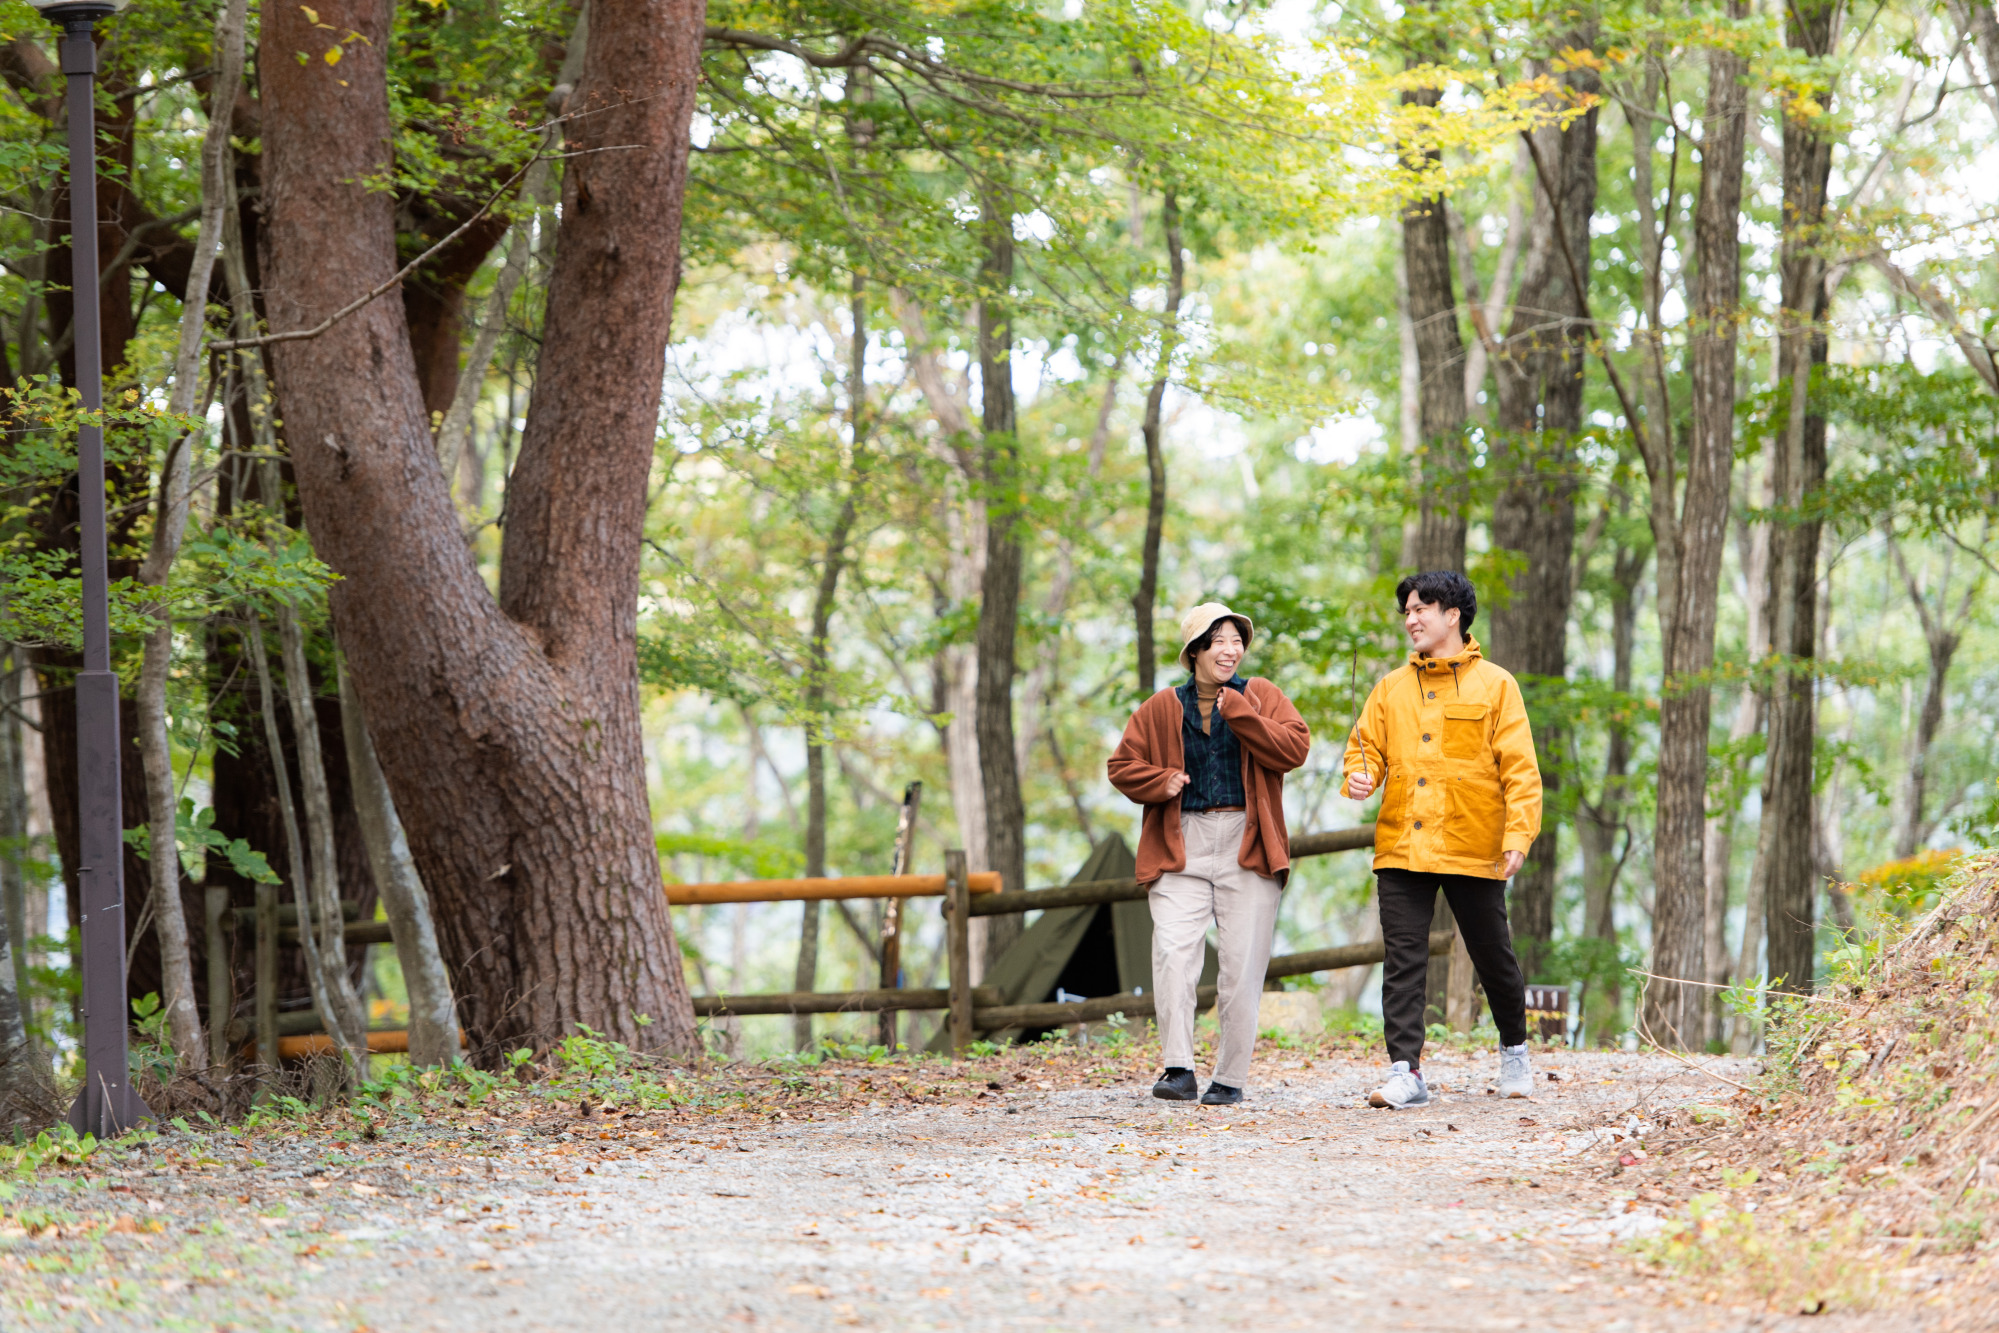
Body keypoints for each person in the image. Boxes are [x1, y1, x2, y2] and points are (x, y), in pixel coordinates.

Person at [1342, 571, 1542, 1109]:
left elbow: (1520, 770)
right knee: (1403, 960)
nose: (1410, 620)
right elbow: (1364, 752)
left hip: (1472, 844)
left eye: (1420, 609)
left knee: (1491, 953)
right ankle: (1406, 1072)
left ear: (1452, 614)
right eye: (1406, 611)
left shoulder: (1497, 684)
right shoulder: (1389, 687)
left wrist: (1518, 834)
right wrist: (1359, 776)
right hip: (1403, 844)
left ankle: (1515, 1051)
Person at [1109, 603, 1311, 1105]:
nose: (1230, 649)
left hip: (1248, 840)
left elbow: (1295, 748)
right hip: (1181, 845)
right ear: (1195, 651)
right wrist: (1161, 781)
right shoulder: (1161, 707)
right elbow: (1121, 766)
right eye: (1218, 640)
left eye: (1236, 640)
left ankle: (1229, 1077)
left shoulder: (1260, 695)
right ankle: (1178, 1068)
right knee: (1173, 954)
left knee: (1242, 966)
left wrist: (1242, 716)